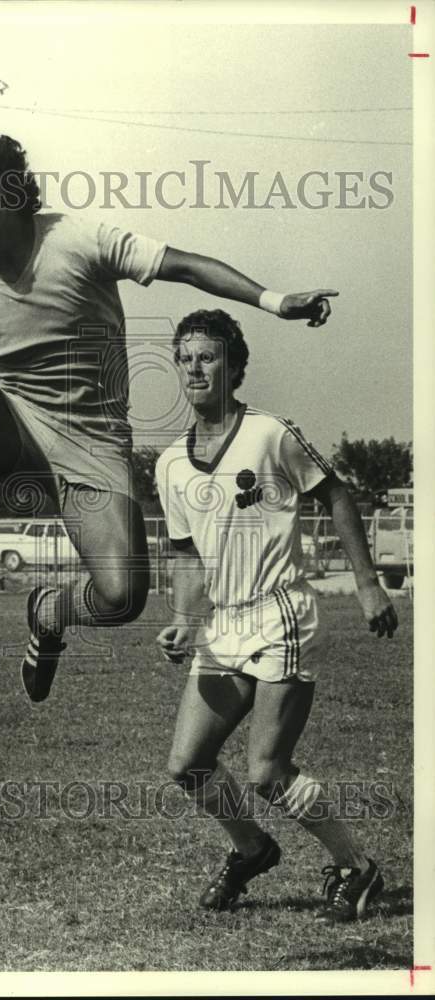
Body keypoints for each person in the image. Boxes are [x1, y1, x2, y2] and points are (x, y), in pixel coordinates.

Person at [0, 121, 338, 704]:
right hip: (18, 440)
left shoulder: (77, 239)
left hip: (94, 452)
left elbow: (186, 265)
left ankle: (48, 612)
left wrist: (274, 301)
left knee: (122, 599)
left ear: (12, 189)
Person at [154, 308, 397, 923]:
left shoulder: (269, 433)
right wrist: (186, 619)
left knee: (265, 771)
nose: (194, 369)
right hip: (225, 625)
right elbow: (186, 554)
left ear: (234, 366)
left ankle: (356, 866)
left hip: (280, 615)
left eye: (207, 357)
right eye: (185, 359)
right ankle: (253, 848)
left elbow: (336, 493)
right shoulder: (170, 465)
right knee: (189, 765)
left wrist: (368, 586)